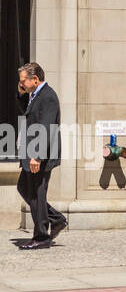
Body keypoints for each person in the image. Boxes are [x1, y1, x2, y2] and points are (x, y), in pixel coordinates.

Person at [16, 63, 67, 249]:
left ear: (35, 79)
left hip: (40, 155)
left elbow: (46, 128)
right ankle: (57, 219)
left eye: (23, 82)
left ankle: (41, 237)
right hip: (31, 152)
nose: (21, 84)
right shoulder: (34, 95)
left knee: (37, 194)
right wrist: (21, 93)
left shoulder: (48, 97)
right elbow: (25, 112)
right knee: (23, 187)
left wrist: (37, 156)